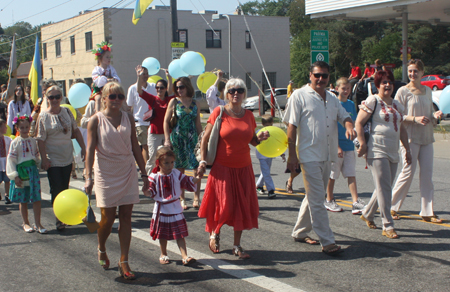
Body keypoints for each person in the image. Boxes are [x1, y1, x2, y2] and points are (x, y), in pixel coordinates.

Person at [284, 61, 355, 254]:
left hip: (327, 155)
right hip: (307, 155)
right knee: (318, 199)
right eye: (317, 75)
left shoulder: (332, 98)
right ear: (310, 75)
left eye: (324, 75)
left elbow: (344, 116)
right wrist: (292, 156)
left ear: (329, 77)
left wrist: (349, 126)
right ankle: (327, 240)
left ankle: (299, 232)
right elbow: (291, 126)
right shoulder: (299, 95)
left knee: (313, 195)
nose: (320, 79)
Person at [198, 78, 269, 259]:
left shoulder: (249, 116)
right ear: (226, 94)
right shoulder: (219, 112)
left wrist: (260, 138)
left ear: (244, 94)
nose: (235, 93)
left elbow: (252, 140)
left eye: (239, 90)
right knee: (222, 206)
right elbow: (205, 139)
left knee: (240, 207)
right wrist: (203, 161)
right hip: (222, 168)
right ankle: (214, 233)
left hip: (243, 168)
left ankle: (237, 245)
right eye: (231, 91)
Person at [84, 81, 148, 280]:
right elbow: (89, 150)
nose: (117, 100)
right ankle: (102, 246)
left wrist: (144, 174)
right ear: (104, 99)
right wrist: (88, 176)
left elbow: (136, 147)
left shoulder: (128, 117)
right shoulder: (95, 120)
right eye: (112, 96)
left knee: (126, 217)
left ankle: (124, 260)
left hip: (127, 170)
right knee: (108, 218)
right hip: (105, 172)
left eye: (120, 96)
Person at [356, 70, 411, 239]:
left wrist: (407, 149)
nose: (387, 85)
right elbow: (359, 122)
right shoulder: (373, 100)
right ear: (377, 85)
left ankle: (367, 213)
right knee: (385, 188)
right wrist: (363, 143)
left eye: (390, 82)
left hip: (393, 150)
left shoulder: (396, 105)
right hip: (376, 149)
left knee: (384, 187)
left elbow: (401, 128)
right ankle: (387, 225)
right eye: (383, 82)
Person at [390, 60, 444, 223]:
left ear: (422, 72)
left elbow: (429, 113)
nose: (412, 74)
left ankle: (427, 211)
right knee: (407, 173)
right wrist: (415, 119)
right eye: (410, 71)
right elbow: (396, 115)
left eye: (416, 71)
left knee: (427, 175)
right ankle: (391, 206)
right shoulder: (402, 91)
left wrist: (436, 116)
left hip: (427, 137)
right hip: (410, 138)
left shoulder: (428, 91)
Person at [36, 85, 86, 231]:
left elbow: (76, 131)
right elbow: (40, 139)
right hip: (53, 157)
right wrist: (44, 159)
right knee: (56, 188)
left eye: (58, 96)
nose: (55, 100)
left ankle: (65, 214)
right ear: (47, 99)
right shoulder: (44, 116)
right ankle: (59, 218)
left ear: (62, 97)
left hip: (66, 156)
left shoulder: (67, 112)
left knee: (64, 187)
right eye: (51, 97)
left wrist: (83, 147)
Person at [146, 146, 200, 265]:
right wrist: (147, 190)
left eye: (172, 162)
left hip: (175, 207)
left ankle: (185, 256)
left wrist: (197, 177)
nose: (170, 165)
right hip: (162, 209)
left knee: (179, 233)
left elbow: (187, 181)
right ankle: (163, 253)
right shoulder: (154, 176)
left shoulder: (176, 173)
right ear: (158, 163)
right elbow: (151, 191)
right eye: (166, 163)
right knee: (163, 234)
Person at [325, 77, 365, 214]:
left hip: (349, 147)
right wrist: (336, 146)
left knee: (351, 174)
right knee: (332, 175)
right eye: (343, 88)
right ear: (337, 89)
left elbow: (353, 126)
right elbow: (330, 128)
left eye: (348, 88)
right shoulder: (333, 105)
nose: (346, 91)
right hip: (336, 147)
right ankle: (329, 199)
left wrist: (358, 143)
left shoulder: (350, 104)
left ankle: (355, 202)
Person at [164, 77, 202, 209]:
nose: (179, 90)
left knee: (196, 169)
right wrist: (167, 139)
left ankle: (196, 197)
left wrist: (202, 139)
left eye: (182, 87)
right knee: (180, 170)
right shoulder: (173, 102)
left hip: (192, 139)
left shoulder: (195, 103)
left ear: (187, 87)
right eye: (177, 87)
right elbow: (166, 121)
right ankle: (182, 198)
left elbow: (198, 124)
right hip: (178, 139)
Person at [6, 115, 45, 233]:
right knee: (23, 199)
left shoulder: (33, 141)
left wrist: (41, 164)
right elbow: (11, 160)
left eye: (26, 127)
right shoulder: (15, 142)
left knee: (36, 198)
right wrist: (15, 176)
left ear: (29, 127)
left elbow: (36, 156)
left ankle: (38, 223)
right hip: (22, 172)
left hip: (32, 172)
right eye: (21, 127)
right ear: (17, 128)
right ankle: (26, 223)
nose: (24, 129)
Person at [134, 66, 174, 174]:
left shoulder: (169, 100)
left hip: (167, 134)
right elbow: (139, 91)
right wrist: (139, 77)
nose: (159, 90)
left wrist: (169, 77)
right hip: (154, 133)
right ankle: (149, 180)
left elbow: (175, 91)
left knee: (167, 158)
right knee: (152, 158)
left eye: (161, 88)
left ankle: (165, 178)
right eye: (157, 88)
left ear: (165, 89)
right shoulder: (152, 99)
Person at [126, 64, 157, 164]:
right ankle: (146, 168)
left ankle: (152, 166)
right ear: (138, 75)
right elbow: (129, 106)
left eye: (147, 74)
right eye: (143, 74)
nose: (145, 76)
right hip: (140, 122)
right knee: (145, 145)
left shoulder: (153, 87)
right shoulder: (133, 88)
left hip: (152, 121)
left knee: (153, 146)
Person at [256, 115, 285, 199]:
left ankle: (259, 186)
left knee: (265, 172)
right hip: (262, 156)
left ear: (272, 124)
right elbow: (254, 141)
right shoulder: (259, 132)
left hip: (270, 155)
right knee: (267, 173)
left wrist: (281, 153)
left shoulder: (273, 133)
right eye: (266, 125)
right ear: (262, 124)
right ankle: (271, 190)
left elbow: (277, 144)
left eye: (270, 125)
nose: (268, 127)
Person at [91, 41, 120, 113]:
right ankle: (97, 114)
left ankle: (124, 112)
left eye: (109, 57)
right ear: (100, 58)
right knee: (98, 98)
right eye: (107, 57)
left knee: (119, 97)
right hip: (99, 90)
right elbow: (97, 81)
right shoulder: (97, 69)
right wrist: (107, 80)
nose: (109, 59)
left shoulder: (111, 68)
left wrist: (114, 79)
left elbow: (116, 77)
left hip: (109, 90)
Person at [0, 120, 12, 204]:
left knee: (7, 179)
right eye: (4, 126)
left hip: (6, 162)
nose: (6, 128)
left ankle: (7, 195)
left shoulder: (8, 139)